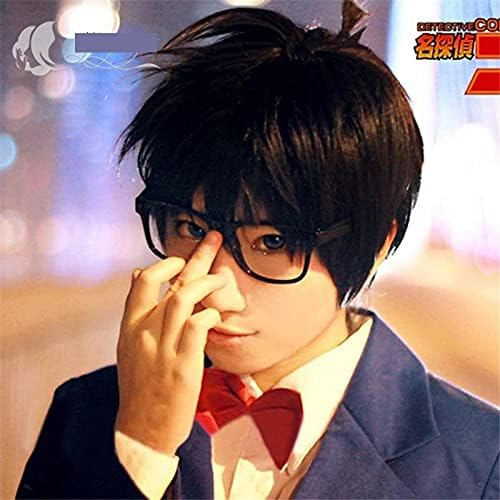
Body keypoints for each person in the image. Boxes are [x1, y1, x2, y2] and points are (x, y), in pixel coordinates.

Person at [16, 1, 499, 499]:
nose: (215, 291)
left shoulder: (481, 463)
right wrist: (142, 450)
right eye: (190, 227)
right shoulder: (88, 414)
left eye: (272, 241)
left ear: (377, 243)